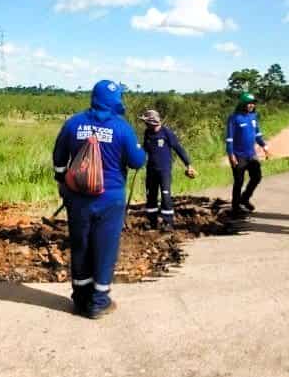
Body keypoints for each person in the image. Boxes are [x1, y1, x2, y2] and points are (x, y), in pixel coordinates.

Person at [53, 81, 146, 319]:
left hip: (78, 199)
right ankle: (98, 302)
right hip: (110, 199)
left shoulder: (73, 123)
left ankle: (81, 298)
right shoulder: (122, 128)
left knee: (81, 246)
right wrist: (142, 151)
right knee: (105, 249)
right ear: (115, 100)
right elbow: (136, 161)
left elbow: (59, 158)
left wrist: (63, 181)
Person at [138, 109, 197, 230]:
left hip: (164, 170)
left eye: (147, 122)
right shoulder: (147, 133)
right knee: (151, 195)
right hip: (151, 170)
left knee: (166, 195)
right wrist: (137, 158)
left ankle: (168, 222)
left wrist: (188, 164)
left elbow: (178, 148)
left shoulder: (166, 132)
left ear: (152, 121)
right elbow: (145, 150)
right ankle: (152, 221)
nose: (145, 124)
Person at [225, 92, 268, 216]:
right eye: (248, 103)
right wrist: (230, 154)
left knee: (257, 177)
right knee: (239, 181)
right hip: (238, 155)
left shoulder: (253, 116)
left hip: (251, 154)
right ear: (242, 104)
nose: (251, 106)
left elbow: (257, 134)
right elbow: (229, 138)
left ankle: (244, 198)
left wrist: (264, 146)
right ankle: (235, 207)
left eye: (253, 103)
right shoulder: (234, 118)